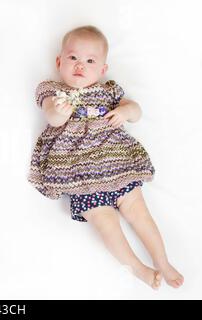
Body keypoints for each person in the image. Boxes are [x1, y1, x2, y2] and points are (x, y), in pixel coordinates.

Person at [28, 25, 184, 289]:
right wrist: (60, 111)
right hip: (80, 175)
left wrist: (126, 112)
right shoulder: (51, 91)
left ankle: (163, 261)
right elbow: (52, 118)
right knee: (106, 224)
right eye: (73, 58)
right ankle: (139, 269)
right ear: (59, 62)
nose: (80, 65)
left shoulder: (109, 90)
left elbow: (135, 111)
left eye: (90, 61)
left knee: (140, 213)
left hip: (118, 166)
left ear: (102, 70)